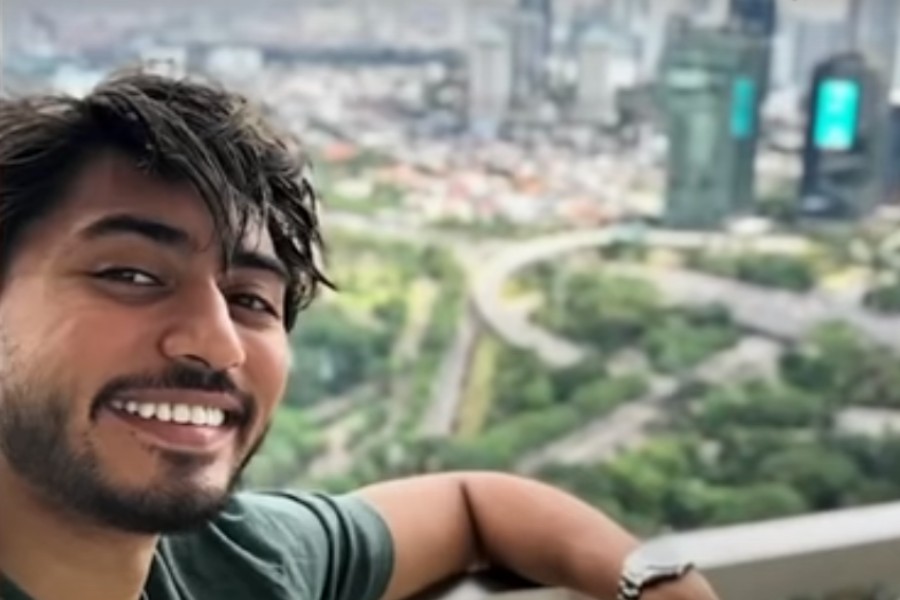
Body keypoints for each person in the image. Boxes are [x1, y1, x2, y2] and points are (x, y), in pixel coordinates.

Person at [0, 69, 719, 600]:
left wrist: (657, 582)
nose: (219, 343)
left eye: (251, 299)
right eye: (131, 274)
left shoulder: (237, 564)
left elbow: (471, 506)